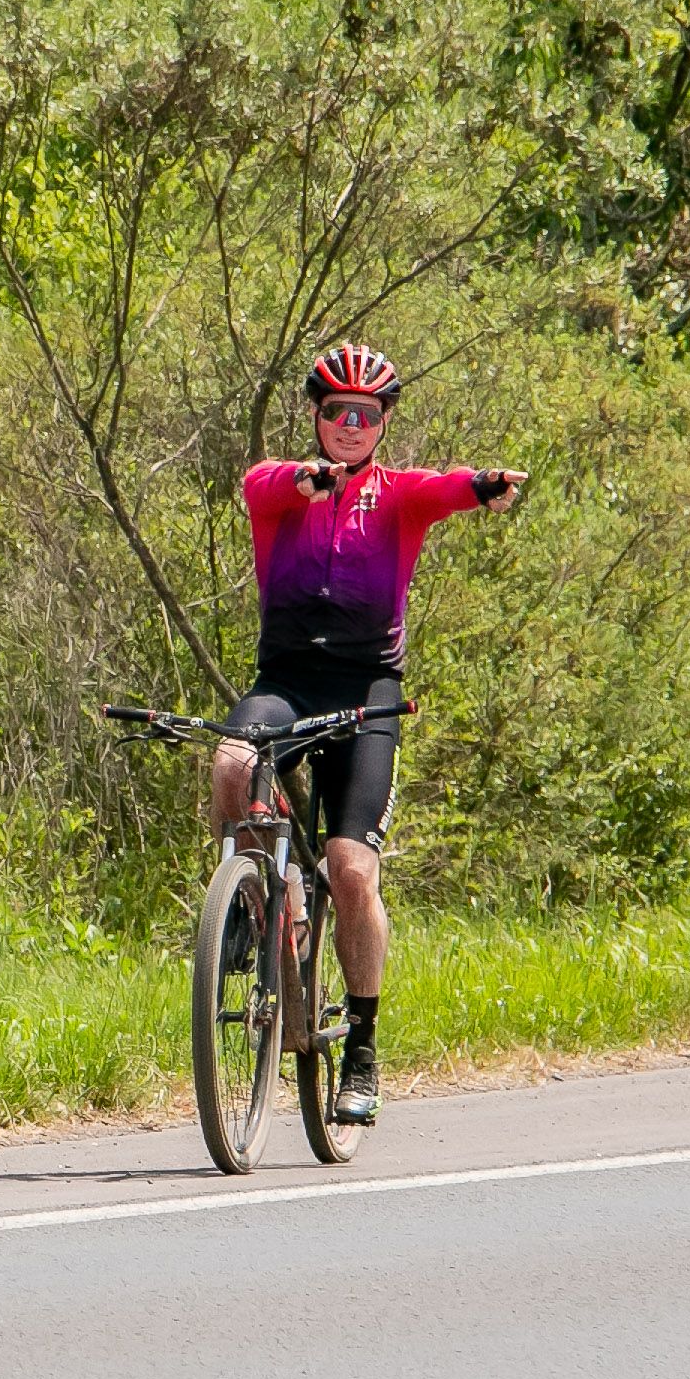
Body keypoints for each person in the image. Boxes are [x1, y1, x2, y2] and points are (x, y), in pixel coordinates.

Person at [213, 340, 524, 1124]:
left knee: (352, 870)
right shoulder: (276, 487)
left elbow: (444, 487)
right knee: (230, 764)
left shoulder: (398, 496)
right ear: (316, 417)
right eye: (336, 412)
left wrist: (481, 487)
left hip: (367, 692)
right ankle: (263, 903)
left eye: (365, 414)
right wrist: (308, 480)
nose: (349, 425)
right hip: (286, 682)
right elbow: (267, 482)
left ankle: (362, 1048)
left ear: (383, 422)